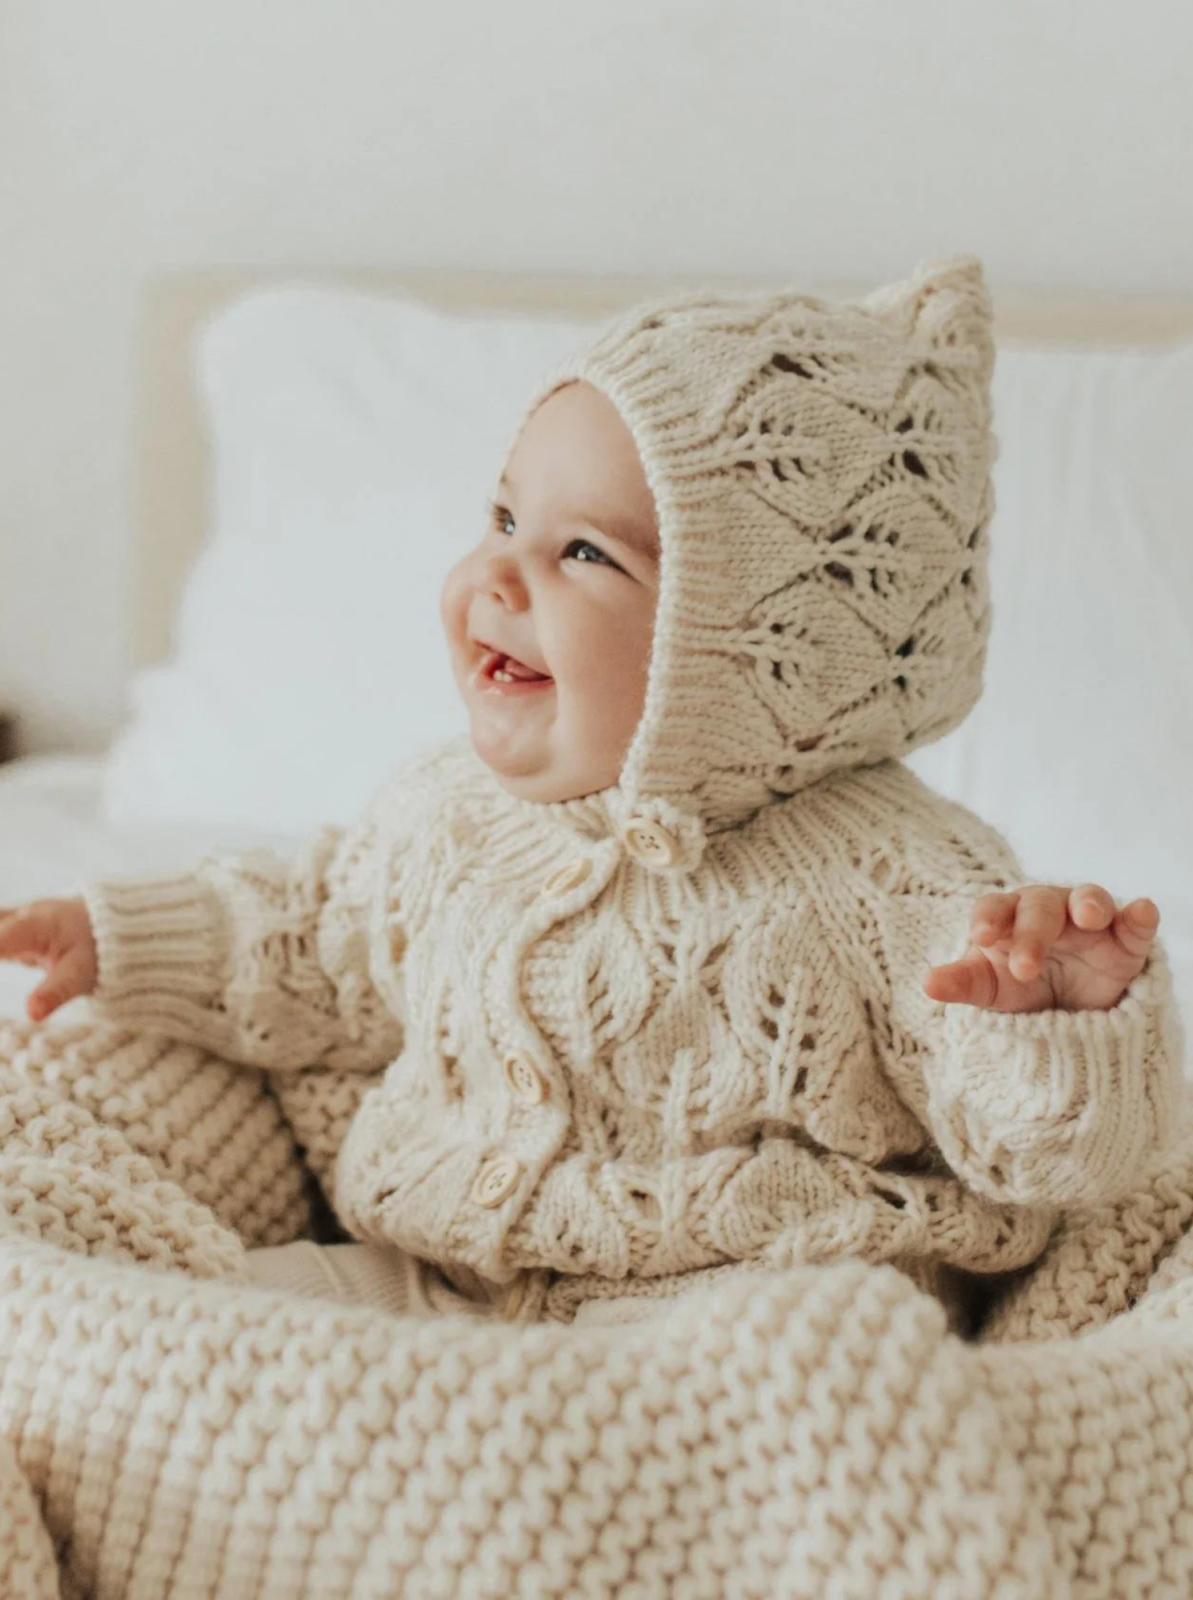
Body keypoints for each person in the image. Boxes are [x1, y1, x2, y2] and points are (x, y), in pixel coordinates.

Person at [0, 254, 1185, 1338]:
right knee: (204, 1327)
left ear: (756, 653)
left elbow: (1041, 1154)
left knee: (805, 1378)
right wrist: (120, 936)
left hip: (731, 1315)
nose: (498, 576)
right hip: (439, 1278)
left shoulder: (894, 878)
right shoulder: (445, 812)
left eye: (583, 554)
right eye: (505, 519)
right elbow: (317, 941)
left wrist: (1056, 1024)